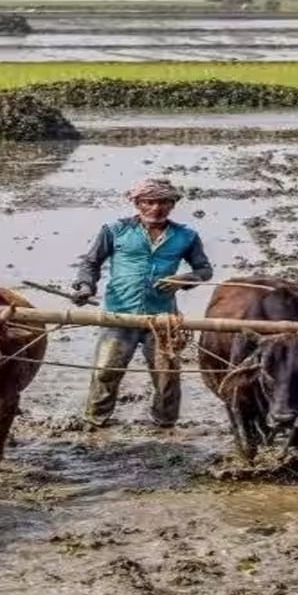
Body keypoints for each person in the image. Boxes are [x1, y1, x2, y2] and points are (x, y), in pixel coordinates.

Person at [71, 178, 213, 429]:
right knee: (105, 370)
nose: (156, 208)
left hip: (162, 317)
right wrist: (85, 287)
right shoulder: (115, 230)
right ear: (137, 203)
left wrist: (185, 279)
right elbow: (91, 263)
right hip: (119, 314)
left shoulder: (186, 236)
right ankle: (95, 420)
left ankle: (165, 423)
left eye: (163, 202)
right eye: (149, 202)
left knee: (167, 375)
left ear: (172, 204)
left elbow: (204, 270)